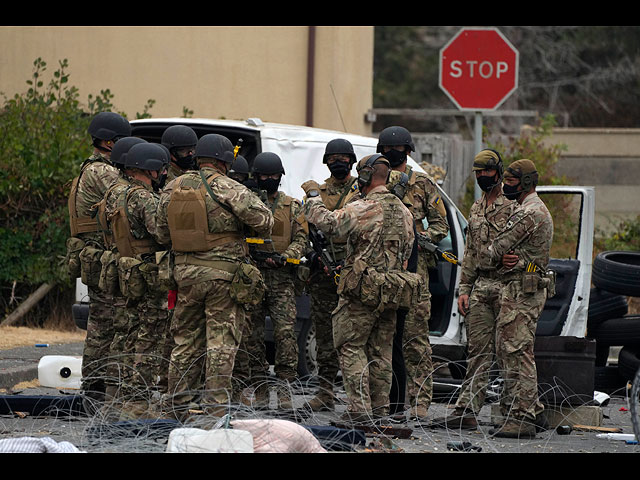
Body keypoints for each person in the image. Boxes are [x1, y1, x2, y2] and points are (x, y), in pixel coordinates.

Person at [155, 133, 274, 419]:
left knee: (185, 343)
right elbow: (265, 221)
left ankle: (177, 407)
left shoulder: (172, 187)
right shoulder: (226, 186)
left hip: (184, 276)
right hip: (223, 277)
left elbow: (160, 233)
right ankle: (216, 409)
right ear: (224, 160)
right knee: (221, 343)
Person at [301, 154, 416, 425]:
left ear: (364, 176)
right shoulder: (405, 211)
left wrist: (314, 196)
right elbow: (408, 251)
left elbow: (329, 223)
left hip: (360, 292)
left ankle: (358, 410)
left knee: (351, 347)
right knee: (381, 351)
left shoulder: (365, 207)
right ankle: (380, 411)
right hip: (391, 291)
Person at [430, 149, 516, 431]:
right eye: (477, 172)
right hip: (481, 287)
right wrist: (464, 288)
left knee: (509, 352)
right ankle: (466, 409)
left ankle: (515, 411)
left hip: (507, 286)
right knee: (477, 351)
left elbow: (525, 244)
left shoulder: (513, 205)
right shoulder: (477, 208)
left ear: (498, 171)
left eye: (487, 172)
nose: (482, 177)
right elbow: (469, 255)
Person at [376, 126, 449, 421]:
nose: (393, 154)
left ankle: (419, 401)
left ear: (407, 152)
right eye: (388, 150)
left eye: (398, 149)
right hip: (381, 269)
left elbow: (440, 225)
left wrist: (420, 237)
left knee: (415, 337)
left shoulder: (422, 184)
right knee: (382, 336)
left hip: (414, 270)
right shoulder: (373, 180)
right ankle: (383, 399)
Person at [99, 142, 171, 419]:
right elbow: (162, 234)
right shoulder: (143, 198)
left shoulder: (115, 193)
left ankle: (117, 400)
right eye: (161, 169)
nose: (163, 173)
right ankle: (137, 405)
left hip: (126, 272)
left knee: (127, 337)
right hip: (147, 275)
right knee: (148, 340)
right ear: (149, 170)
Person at [233, 152, 309, 411]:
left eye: (273, 176)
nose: (269, 180)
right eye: (264, 176)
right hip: (252, 276)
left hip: (281, 278)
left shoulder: (292, 206)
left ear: (280, 177)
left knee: (285, 333)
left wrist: (286, 257)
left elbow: (301, 240)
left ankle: (285, 390)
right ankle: (261, 389)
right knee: (251, 336)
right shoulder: (247, 204)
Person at [484, 158, 554, 439]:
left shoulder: (528, 213)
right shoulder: (531, 209)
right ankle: (532, 410)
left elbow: (494, 249)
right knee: (515, 350)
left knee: (517, 353)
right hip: (523, 288)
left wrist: (501, 255)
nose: (505, 187)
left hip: (521, 293)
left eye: (510, 183)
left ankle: (523, 417)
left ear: (524, 183)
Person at [67, 111, 131, 407]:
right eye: (120, 141)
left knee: (99, 325)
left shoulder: (89, 168)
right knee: (111, 324)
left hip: (94, 255)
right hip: (103, 257)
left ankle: (94, 389)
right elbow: (127, 201)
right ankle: (104, 390)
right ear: (107, 141)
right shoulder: (103, 172)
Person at [302, 138, 359, 413]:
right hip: (324, 276)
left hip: (353, 272)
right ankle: (325, 391)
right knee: (324, 335)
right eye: (333, 157)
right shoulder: (317, 194)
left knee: (353, 338)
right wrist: (313, 256)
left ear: (351, 160)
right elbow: (302, 232)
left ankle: (356, 397)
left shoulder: (361, 191)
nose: (338, 162)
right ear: (326, 161)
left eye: (343, 157)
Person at [94, 136, 149, 410]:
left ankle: (114, 395)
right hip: (137, 270)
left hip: (118, 266)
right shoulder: (137, 195)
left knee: (120, 332)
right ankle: (132, 398)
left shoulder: (111, 191)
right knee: (139, 334)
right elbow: (159, 229)